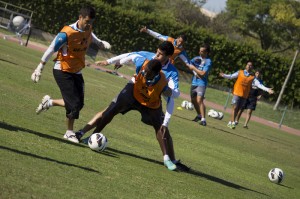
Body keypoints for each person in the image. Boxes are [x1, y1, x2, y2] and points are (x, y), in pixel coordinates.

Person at [77, 59, 178, 171]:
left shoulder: (163, 84)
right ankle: (93, 135)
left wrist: (166, 122)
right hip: (133, 93)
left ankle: (166, 159)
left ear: (156, 74)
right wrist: (118, 61)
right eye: (145, 71)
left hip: (151, 104)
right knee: (111, 110)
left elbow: (171, 101)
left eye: (148, 73)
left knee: (160, 127)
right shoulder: (142, 63)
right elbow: (130, 56)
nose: (145, 73)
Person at [30, 6, 111, 142]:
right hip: (62, 70)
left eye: (91, 22)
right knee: (73, 104)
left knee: (79, 104)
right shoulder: (67, 33)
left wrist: (100, 43)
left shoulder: (88, 28)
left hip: (77, 70)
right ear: (80, 18)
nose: (89, 25)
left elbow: (91, 35)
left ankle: (49, 102)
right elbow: (51, 48)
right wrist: (40, 67)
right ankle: (69, 132)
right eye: (87, 21)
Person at [219, 62, 274, 129]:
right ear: (246, 66)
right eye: (248, 65)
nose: (249, 66)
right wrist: (224, 75)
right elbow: (231, 76)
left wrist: (267, 89)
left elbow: (259, 85)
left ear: (252, 68)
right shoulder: (240, 72)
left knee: (238, 109)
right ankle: (233, 122)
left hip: (244, 95)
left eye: (251, 65)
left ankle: (230, 122)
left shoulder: (252, 77)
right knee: (235, 107)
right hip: (237, 93)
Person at [185, 43, 212, 126]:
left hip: (202, 83)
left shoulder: (208, 61)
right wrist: (193, 69)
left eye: (202, 51)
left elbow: (202, 73)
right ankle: (199, 115)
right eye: (200, 51)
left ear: (207, 52)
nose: (200, 53)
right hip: (194, 82)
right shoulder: (196, 58)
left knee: (199, 100)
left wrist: (193, 69)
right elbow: (188, 64)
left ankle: (203, 120)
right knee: (193, 100)